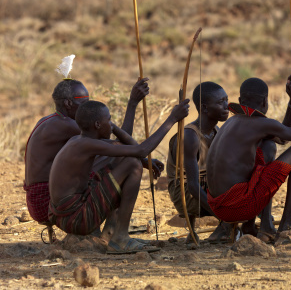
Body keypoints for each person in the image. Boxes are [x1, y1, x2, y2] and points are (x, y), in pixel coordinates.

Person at [48, 99, 190, 254]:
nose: (112, 124)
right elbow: (141, 150)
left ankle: (110, 233)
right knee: (132, 165)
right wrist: (172, 119)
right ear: (97, 125)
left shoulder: (80, 140)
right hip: (76, 219)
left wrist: (144, 160)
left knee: (123, 161)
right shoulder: (85, 144)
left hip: (65, 216)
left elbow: (125, 147)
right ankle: (120, 237)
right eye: (109, 120)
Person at [24, 78, 163, 228]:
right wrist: (132, 103)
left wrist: (142, 158)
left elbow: (117, 145)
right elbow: (119, 145)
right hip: (46, 203)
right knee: (120, 163)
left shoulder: (51, 120)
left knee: (116, 159)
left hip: (38, 201)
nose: (88, 106)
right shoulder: (67, 125)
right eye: (84, 102)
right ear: (68, 103)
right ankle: (114, 231)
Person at [206, 75, 291, 240]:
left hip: (218, 208)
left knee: (268, 145)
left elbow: (282, 138)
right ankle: (287, 224)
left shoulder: (231, 123)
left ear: (240, 100)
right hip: (238, 207)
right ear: (264, 103)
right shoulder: (261, 124)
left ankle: (252, 225)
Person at [166, 82, 231, 243]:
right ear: (204, 108)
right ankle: (225, 227)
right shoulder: (190, 136)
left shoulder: (217, 132)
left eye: (226, 100)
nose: (226, 106)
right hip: (186, 191)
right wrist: (223, 217)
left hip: (206, 186)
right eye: (220, 102)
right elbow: (193, 186)